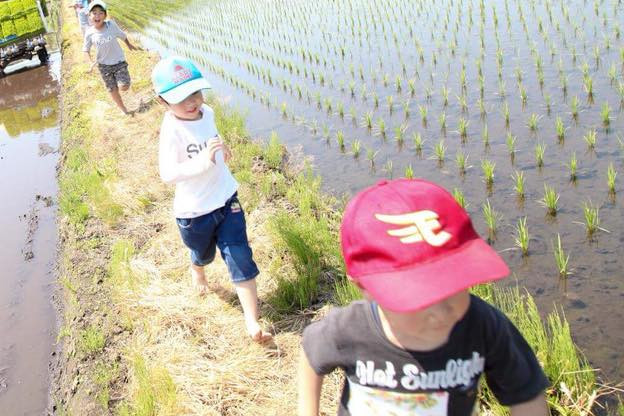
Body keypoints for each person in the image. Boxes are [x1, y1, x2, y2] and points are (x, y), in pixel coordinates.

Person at [298, 178, 548, 416]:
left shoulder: (485, 326)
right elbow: (311, 355)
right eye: (418, 299)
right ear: (364, 288)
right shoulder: (348, 328)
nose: (441, 311)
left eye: (453, 286)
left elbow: (526, 393)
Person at [152, 56, 272, 343]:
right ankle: (198, 270)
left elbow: (212, 136)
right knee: (203, 254)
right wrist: (204, 163)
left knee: (239, 255)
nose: (192, 102)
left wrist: (221, 148)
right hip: (194, 213)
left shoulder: (208, 111)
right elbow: (168, 174)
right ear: (163, 102)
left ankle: (252, 322)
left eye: (195, 93)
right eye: (182, 98)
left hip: (226, 198)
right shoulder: (171, 131)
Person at [83, 0, 137, 114]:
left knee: (124, 86)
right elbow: (85, 50)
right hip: (104, 66)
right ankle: (123, 109)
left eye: (101, 13)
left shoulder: (111, 25)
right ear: (89, 15)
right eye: (94, 13)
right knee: (112, 89)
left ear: (105, 15)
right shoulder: (89, 33)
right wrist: (90, 63)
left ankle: (122, 83)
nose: (97, 15)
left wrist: (129, 45)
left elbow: (122, 36)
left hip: (119, 62)